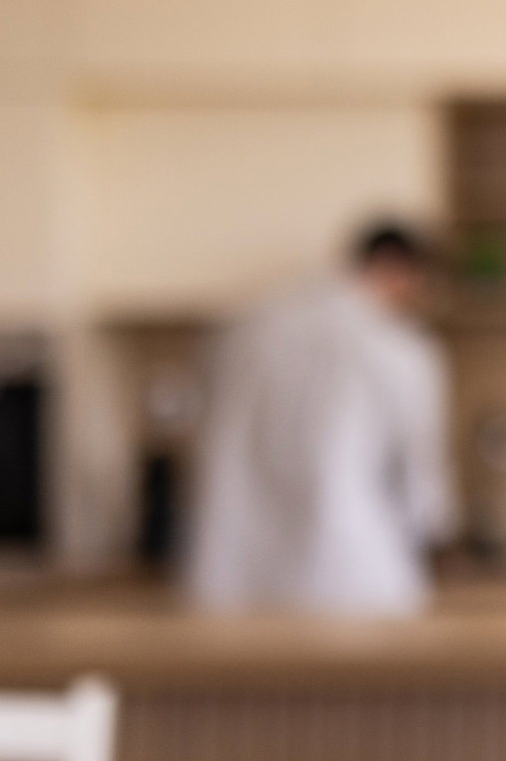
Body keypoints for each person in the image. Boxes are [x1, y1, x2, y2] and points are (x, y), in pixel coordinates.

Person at [181, 221, 459, 617]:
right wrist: (434, 530)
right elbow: (420, 465)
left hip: (241, 570)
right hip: (354, 574)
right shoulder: (397, 349)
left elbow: (204, 427)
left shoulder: (245, 330)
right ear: (395, 267)